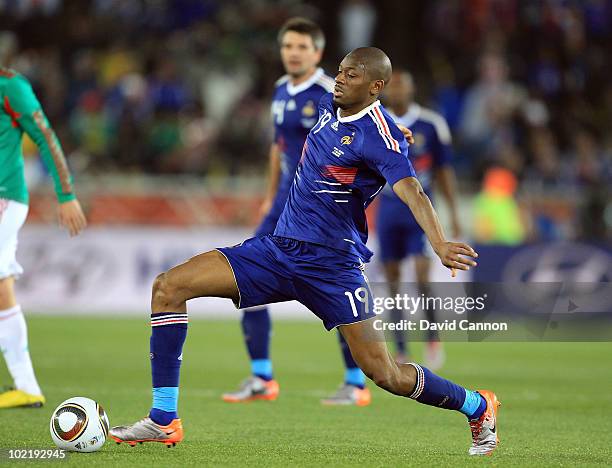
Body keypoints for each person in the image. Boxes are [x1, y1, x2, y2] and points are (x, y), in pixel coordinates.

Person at [110, 47, 500, 456]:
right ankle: (163, 419)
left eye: (352, 75)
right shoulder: (328, 107)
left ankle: (477, 405)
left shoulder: (378, 136)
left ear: (375, 86)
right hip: (279, 251)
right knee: (168, 287)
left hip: (334, 267)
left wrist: (438, 242)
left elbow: (413, 190)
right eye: (341, 70)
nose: (340, 78)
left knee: (385, 374)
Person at [222, 17, 371, 407]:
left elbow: (369, 123)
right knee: (245, 282)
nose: (293, 52)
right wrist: (269, 197)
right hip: (281, 210)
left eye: (302, 47)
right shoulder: (279, 90)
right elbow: (278, 148)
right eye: (288, 46)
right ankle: (261, 376)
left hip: (319, 213)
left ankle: (355, 382)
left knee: (339, 292)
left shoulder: (330, 91)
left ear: (318, 53)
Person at [0, 60, 87, 408]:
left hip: (4, 198)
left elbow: (45, 136)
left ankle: (27, 385)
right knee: (2, 290)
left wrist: (65, 194)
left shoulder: (10, 86)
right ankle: (26, 387)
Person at [376, 70, 461, 369]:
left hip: (421, 208)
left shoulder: (431, 123)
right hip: (388, 208)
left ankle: (433, 337)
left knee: (423, 278)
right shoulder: (376, 121)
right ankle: (400, 348)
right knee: (393, 281)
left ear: (411, 90)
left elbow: (444, 171)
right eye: (392, 86)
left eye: (402, 86)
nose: (396, 91)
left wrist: (452, 212)